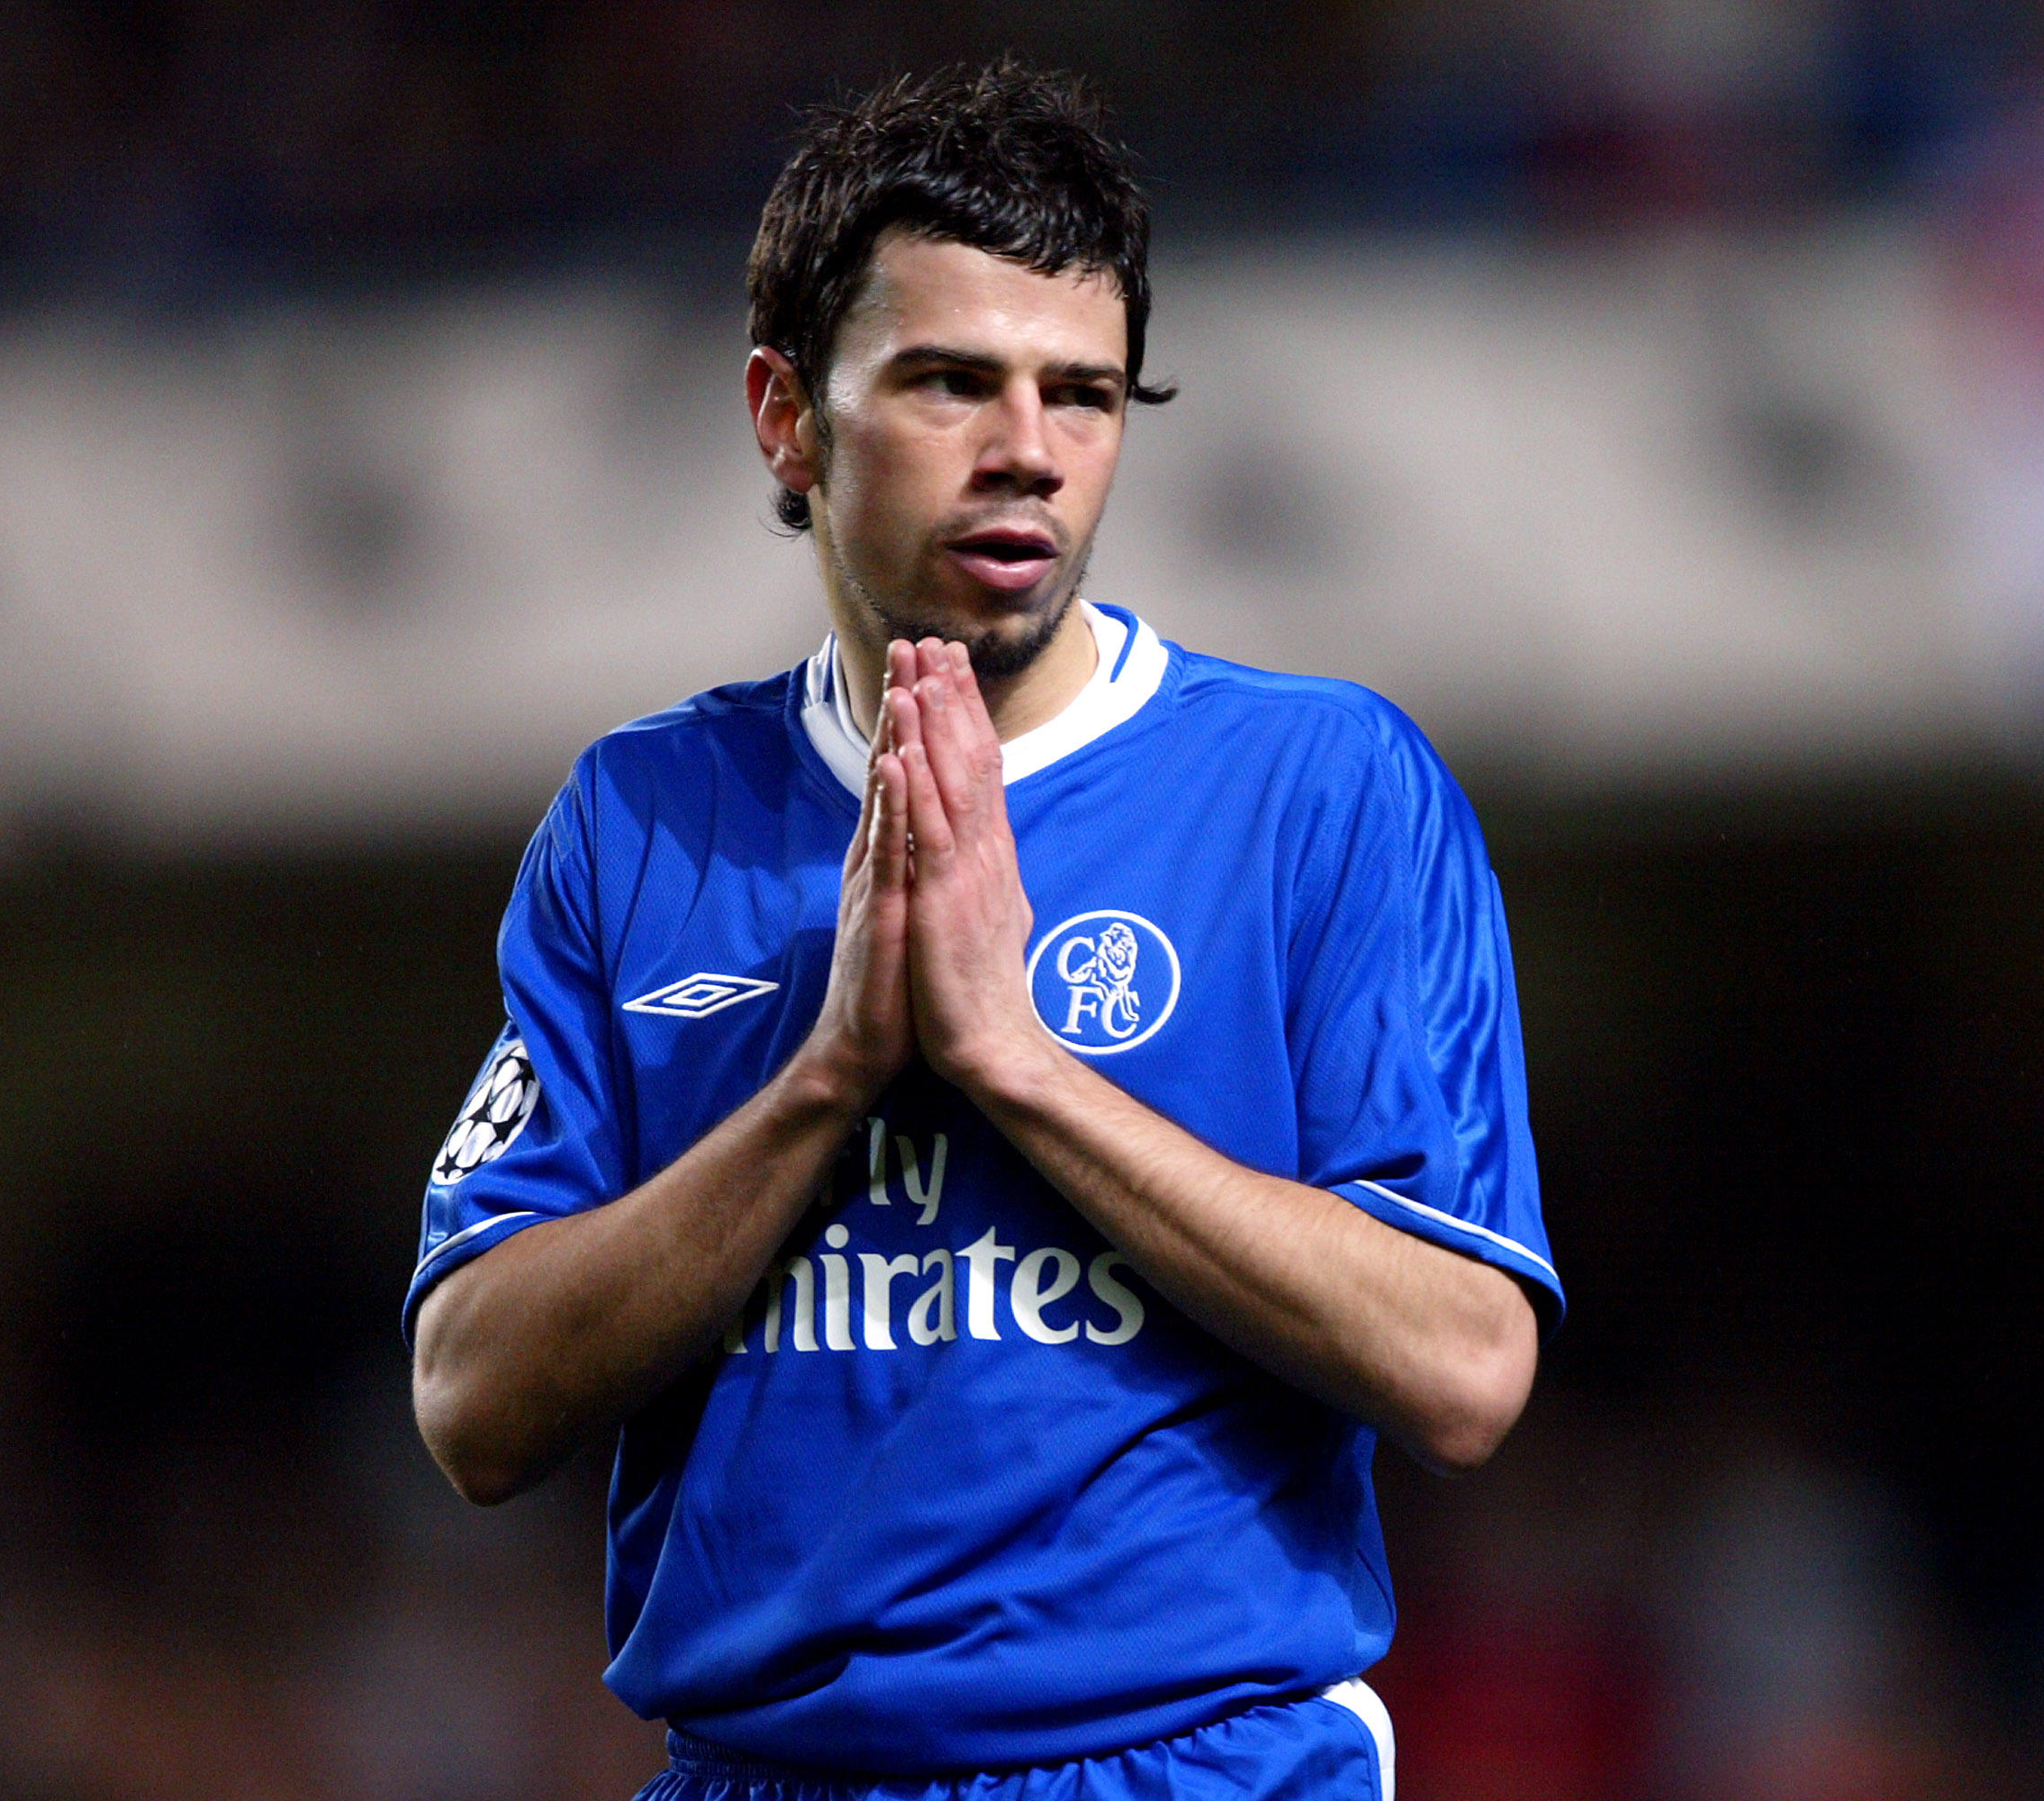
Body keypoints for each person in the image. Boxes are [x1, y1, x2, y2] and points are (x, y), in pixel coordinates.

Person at [404, 58, 1559, 1801]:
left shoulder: (1321, 788)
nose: (1029, 449)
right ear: (788, 416)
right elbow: (473, 1405)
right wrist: (835, 1072)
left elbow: (1465, 1364)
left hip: (1196, 1765)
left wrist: (1013, 1061)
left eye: (1083, 395)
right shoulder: (644, 818)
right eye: (953, 381)